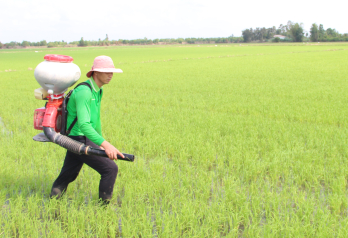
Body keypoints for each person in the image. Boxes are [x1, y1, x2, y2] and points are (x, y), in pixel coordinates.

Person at [50, 55, 125, 204]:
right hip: (78, 137)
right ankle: (104, 209)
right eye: (106, 72)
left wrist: (100, 141)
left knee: (68, 174)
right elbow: (84, 124)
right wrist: (105, 144)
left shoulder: (98, 90)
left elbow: (95, 120)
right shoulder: (85, 91)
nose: (110, 75)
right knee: (110, 169)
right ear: (95, 73)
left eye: (112, 72)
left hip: (81, 137)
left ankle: (53, 202)